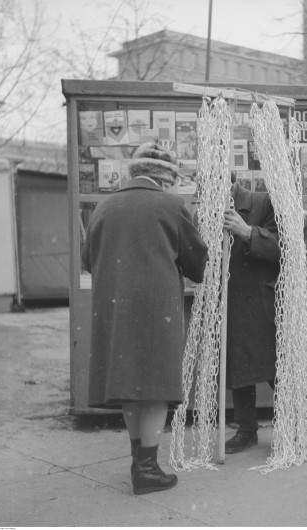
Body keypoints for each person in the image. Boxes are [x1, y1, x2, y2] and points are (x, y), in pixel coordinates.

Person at [82, 142, 208, 495]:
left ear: (134, 171)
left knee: (128, 385)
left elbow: (88, 260)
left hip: (115, 308)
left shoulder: (103, 207)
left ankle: (140, 462)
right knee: (155, 389)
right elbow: (198, 266)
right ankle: (148, 469)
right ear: (166, 178)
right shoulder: (171, 206)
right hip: (157, 311)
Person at [221, 174, 282, 454]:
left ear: (230, 180)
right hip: (229, 302)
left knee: (275, 369)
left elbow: (283, 248)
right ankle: (247, 430)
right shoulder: (207, 211)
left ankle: (289, 427)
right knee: (239, 370)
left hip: (260, 301)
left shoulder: (263, 202)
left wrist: (247, 231)